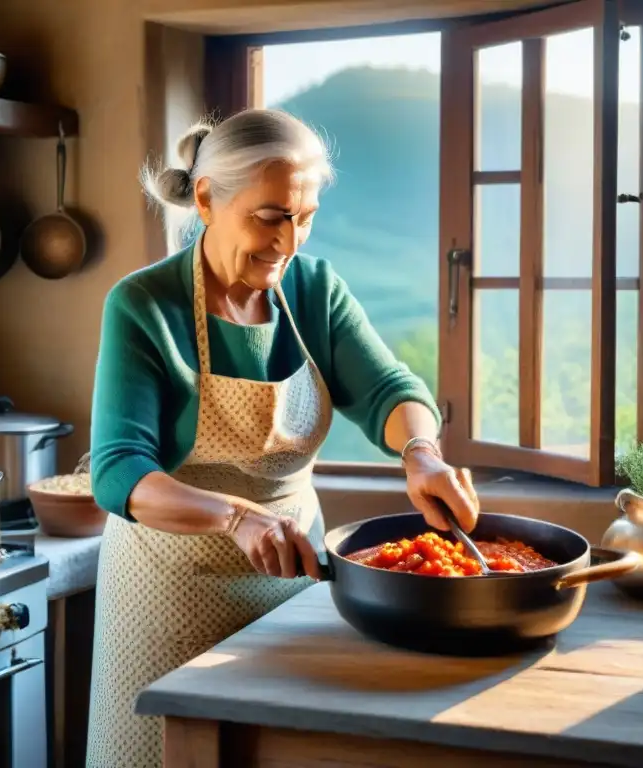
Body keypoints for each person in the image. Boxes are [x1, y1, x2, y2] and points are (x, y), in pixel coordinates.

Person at [84, 108, 479, 767]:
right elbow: (118, 471)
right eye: (270, 216)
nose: (289, 240)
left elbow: (390, 390)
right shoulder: (143, 305)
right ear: (208, 199)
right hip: (166, 593)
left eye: (306, 216)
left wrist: (422, 455)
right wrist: (236, 516)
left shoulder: (315, 290)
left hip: (292, 590)